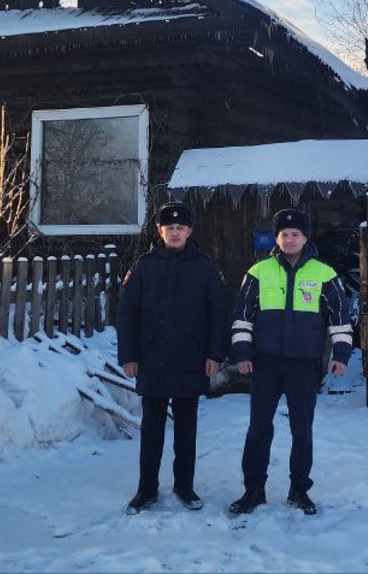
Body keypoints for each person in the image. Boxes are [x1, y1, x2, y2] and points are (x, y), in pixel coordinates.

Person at [228, 208, 353, 516]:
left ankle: (299, 490)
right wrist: (242, 354)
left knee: (302, 430)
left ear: (306, 237)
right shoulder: (258, 272)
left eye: (295, 234)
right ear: (276, 238)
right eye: (284, 234)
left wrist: (340, 354)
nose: (289, 239)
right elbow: (243, 317)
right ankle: (253, 490)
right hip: (265, 363)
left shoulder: (325, 274)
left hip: (303, 365)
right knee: (259, 428)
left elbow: (339, 319)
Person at [117, 202, 229, 515]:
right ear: (160, 231)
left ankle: (184, 486)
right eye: (170, 227)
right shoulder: (144, 266)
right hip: (152, 359)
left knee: (186, 430)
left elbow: (218, 314)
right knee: (151, 430)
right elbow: (127, 313)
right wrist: (128, 355)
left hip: (190, 359)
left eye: (181, 227)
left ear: (190, 231)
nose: (176, 232)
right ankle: (146, 489)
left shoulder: (205, 267)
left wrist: (215, 354)